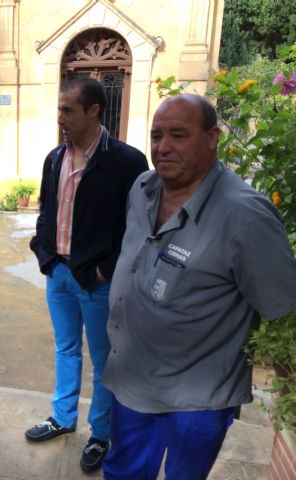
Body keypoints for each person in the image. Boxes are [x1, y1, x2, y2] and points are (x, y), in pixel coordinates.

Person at [102, 94, 296, 479]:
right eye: (156, 135)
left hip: (196, 401)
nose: (163, 147)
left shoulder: (245, 215)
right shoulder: (142, 188)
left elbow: (283, 312)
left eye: (178, 135)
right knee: (123, 473)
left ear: (212, 138)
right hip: (132, 381)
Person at [26, 77, 148, 473]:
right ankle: (62, 419)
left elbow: (138, 226)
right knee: (65, 348)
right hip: (58, 273)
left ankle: (100, 434)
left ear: (94, 111)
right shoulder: (54, 158)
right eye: (60, 109)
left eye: (68, 110)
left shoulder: (127, 161)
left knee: (103, 358)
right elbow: (48, 210)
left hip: (96, 280)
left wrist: (105, 269)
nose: (60, 117)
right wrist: (44, 254)